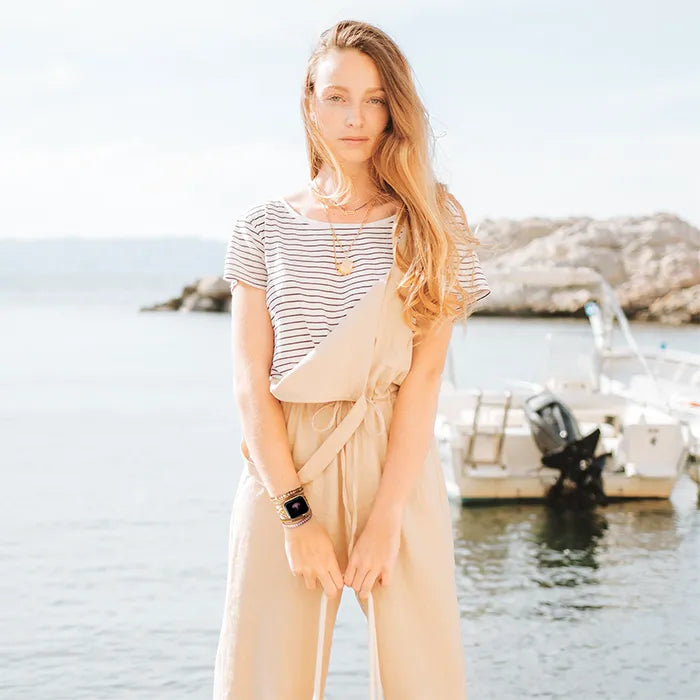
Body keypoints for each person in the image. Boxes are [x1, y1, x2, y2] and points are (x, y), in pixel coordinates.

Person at [212, 19, 491, 700]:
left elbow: (424, 380)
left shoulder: (433, 221)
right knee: (260, 679)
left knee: (424, 678)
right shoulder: (261, 227)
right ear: (310, 105)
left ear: (395, 110)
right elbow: (250, 385)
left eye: (374, 100)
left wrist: (388, 516)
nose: (355, 118)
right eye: (337, 97)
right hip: (286, 464)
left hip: (394, 459)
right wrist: (296, 516)